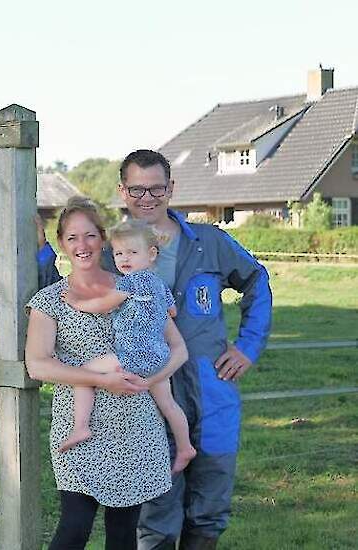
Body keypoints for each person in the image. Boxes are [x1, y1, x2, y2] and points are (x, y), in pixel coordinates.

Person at [111, 150, 272, 550]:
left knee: (210, 506)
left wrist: (248, 347)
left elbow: (257, 280)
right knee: (155, 512)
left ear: (171, 189)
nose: (147, 197)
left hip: (212, 389)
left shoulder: (210, 242)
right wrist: (42, 251)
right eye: (137, 189)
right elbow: (65, 298)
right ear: (122, 191)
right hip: (146, 395)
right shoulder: (109, 251)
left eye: (156, 188)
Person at [25, 197, 188, 550]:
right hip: (80, 429)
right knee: (74, 528)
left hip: (136, 427)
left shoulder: (136, 284)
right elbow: (37, 364)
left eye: (89, 236)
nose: (81, 246)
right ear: (62, 244)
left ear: (103, 239)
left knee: (122, 535)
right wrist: (101, 380)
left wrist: (154, 379)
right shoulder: (51, 299)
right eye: (71, 238)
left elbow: (177, 348)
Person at [59, 219, 197, 476]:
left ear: (152, 254)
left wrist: (77, 303)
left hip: (132, 356)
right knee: (168, 404)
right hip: (159, 355)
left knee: (84, 373)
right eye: (119, 253)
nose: (124, 259)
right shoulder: (160, 285)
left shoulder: (130, 282)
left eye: (132, 252)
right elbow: (173, 310)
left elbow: (104, 304)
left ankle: (80, 426)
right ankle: (185, 446)